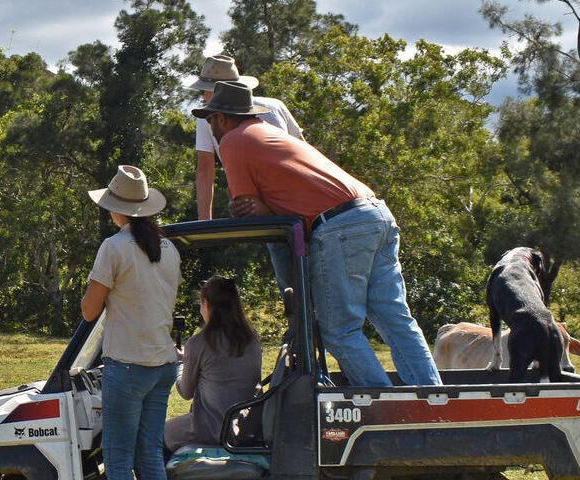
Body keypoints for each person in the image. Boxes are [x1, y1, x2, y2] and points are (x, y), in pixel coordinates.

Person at [192, 80, 440, 387]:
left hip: (339, 227)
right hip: (375, 214)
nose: (211, 128)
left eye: (210, 119)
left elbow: (247, 209)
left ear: (223, 118)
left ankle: (385, 408)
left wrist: (254, 209)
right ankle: (433, 402)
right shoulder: (271, 134)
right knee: (395, 320)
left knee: (340, 331)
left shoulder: (233, 141)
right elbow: (273, 206)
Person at [81, 165, 183, 480]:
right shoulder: (170, 249)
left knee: (118, 460)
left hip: (127, 366)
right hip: (163, 363)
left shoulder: (113, 247)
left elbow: (88, 311)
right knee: (150, 453)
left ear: (116, 208)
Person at [190, 55, 305, 220]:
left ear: (221, 91)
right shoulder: (275, 106)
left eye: (204, 90)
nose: (202, 96)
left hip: (277, 202)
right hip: (281, 201)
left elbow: (205, 171)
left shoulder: (273, 107)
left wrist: (203, 224)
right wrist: (204, 225)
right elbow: (204, 171)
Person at [164, 277, 261, 452]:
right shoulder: (252, 339)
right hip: (245, 426)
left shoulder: (199, 342)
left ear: (207, 305)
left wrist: (179, 364)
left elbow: (185, 392)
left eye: (201, 304)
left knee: (155, 435)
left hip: (211, 428)